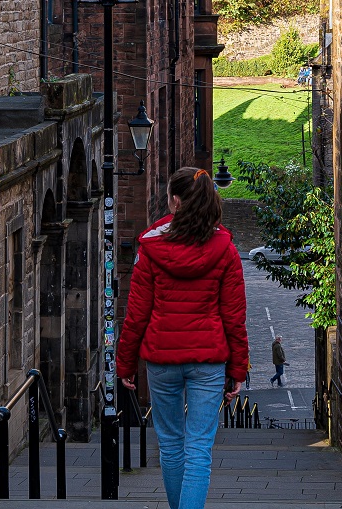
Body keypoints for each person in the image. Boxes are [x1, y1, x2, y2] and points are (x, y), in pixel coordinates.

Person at [117, 167, 249, 509]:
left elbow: (137, 315)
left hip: (162, 357)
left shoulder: (150, 249)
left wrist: (126, 362)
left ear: (175, 202)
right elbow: (234, 318)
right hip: (208, 360)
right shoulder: (226, 250)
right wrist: (238, 368)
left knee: (171, 445)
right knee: (199, 449)